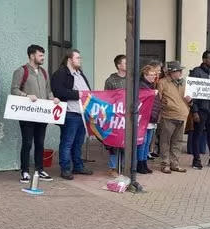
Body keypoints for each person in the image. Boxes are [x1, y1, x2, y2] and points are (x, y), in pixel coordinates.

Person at [11, 44, 60, 184]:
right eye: (40, 55)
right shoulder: (21, 71)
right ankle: (25, 171)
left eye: (43, 55)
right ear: (32, 56)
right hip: (27, 113)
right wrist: (26, 95)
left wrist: (53, 98)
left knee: (40, 142)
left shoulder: (44, 72)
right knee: (27, 142)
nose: (43, 58)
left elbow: (48, 90)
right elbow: (14, 90)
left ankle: (39, 169)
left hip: (42, 114)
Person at [51, 49, 94, 180]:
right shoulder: (61, 73)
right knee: (67, 142)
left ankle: (78, 166)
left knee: (78, 142)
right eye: (77, 58)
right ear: (69, 59)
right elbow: (58, 91)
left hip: (81, 113)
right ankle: (65, 168)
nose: (80, 60)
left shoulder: (79, 73)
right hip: (70, 113)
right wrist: (76, 94)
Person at [157, 61, 192, 174]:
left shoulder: (184, 83)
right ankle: (165, 164)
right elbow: (157, 99)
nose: (181, 72)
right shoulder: (162, 82)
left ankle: (175, 164)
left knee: (177, 141)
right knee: (165, 141)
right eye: (178, 71)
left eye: (181, 70)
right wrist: (165, 105)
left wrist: (190, 101)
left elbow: (190, 100)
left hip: (182, 116)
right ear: (171, 72)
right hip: (168, 116)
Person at [104, 54, 126, 178]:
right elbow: (107, 97)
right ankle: (112, 167)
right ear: (119, 65)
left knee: (125, 142)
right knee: (114, 143)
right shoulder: (111, 81)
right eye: (125, 62)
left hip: (127, 116)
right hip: (115, 115)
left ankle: (123, 166)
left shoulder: (132, 79)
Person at [136, 63, 161, 175]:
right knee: (143, 141)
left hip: (152, 117)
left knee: (147, 143)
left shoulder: (151, 86)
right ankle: (140, 163)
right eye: (150, 75)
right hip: (144, 118)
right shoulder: (142, 86)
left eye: (154, 75)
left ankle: (144, 162)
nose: (152, 77)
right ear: (144, 75)